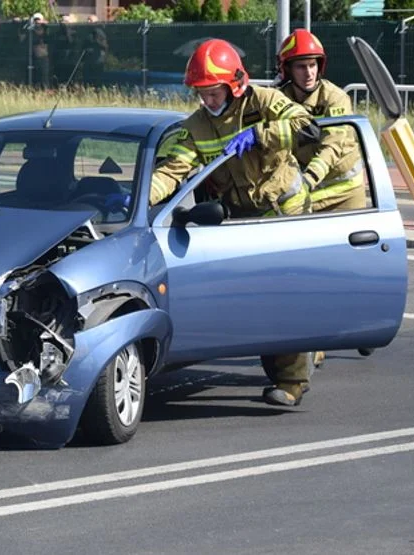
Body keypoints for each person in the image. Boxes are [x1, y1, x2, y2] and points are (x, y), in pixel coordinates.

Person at [149, 39, 322, 407]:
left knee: (283, 298)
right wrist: (138, 197)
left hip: (283, 216)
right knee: (253, 300)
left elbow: (308, 128)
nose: (208, 101)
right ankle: (294, 356)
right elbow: (173, 169)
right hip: (239, 223)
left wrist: (260, 135)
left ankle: (292, 381)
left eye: (213, 92)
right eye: (202, 94)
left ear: (234, 85)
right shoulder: (195, 126)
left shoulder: (263, 102)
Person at [277, 29, 366, 214]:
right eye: (301, 66)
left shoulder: (335, 98)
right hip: (310, 186)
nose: (309, 73)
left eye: (312, 65)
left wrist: (308, 180)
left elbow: (332, 147)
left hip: (343, 189)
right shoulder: (280, 100)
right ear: (288, 70)